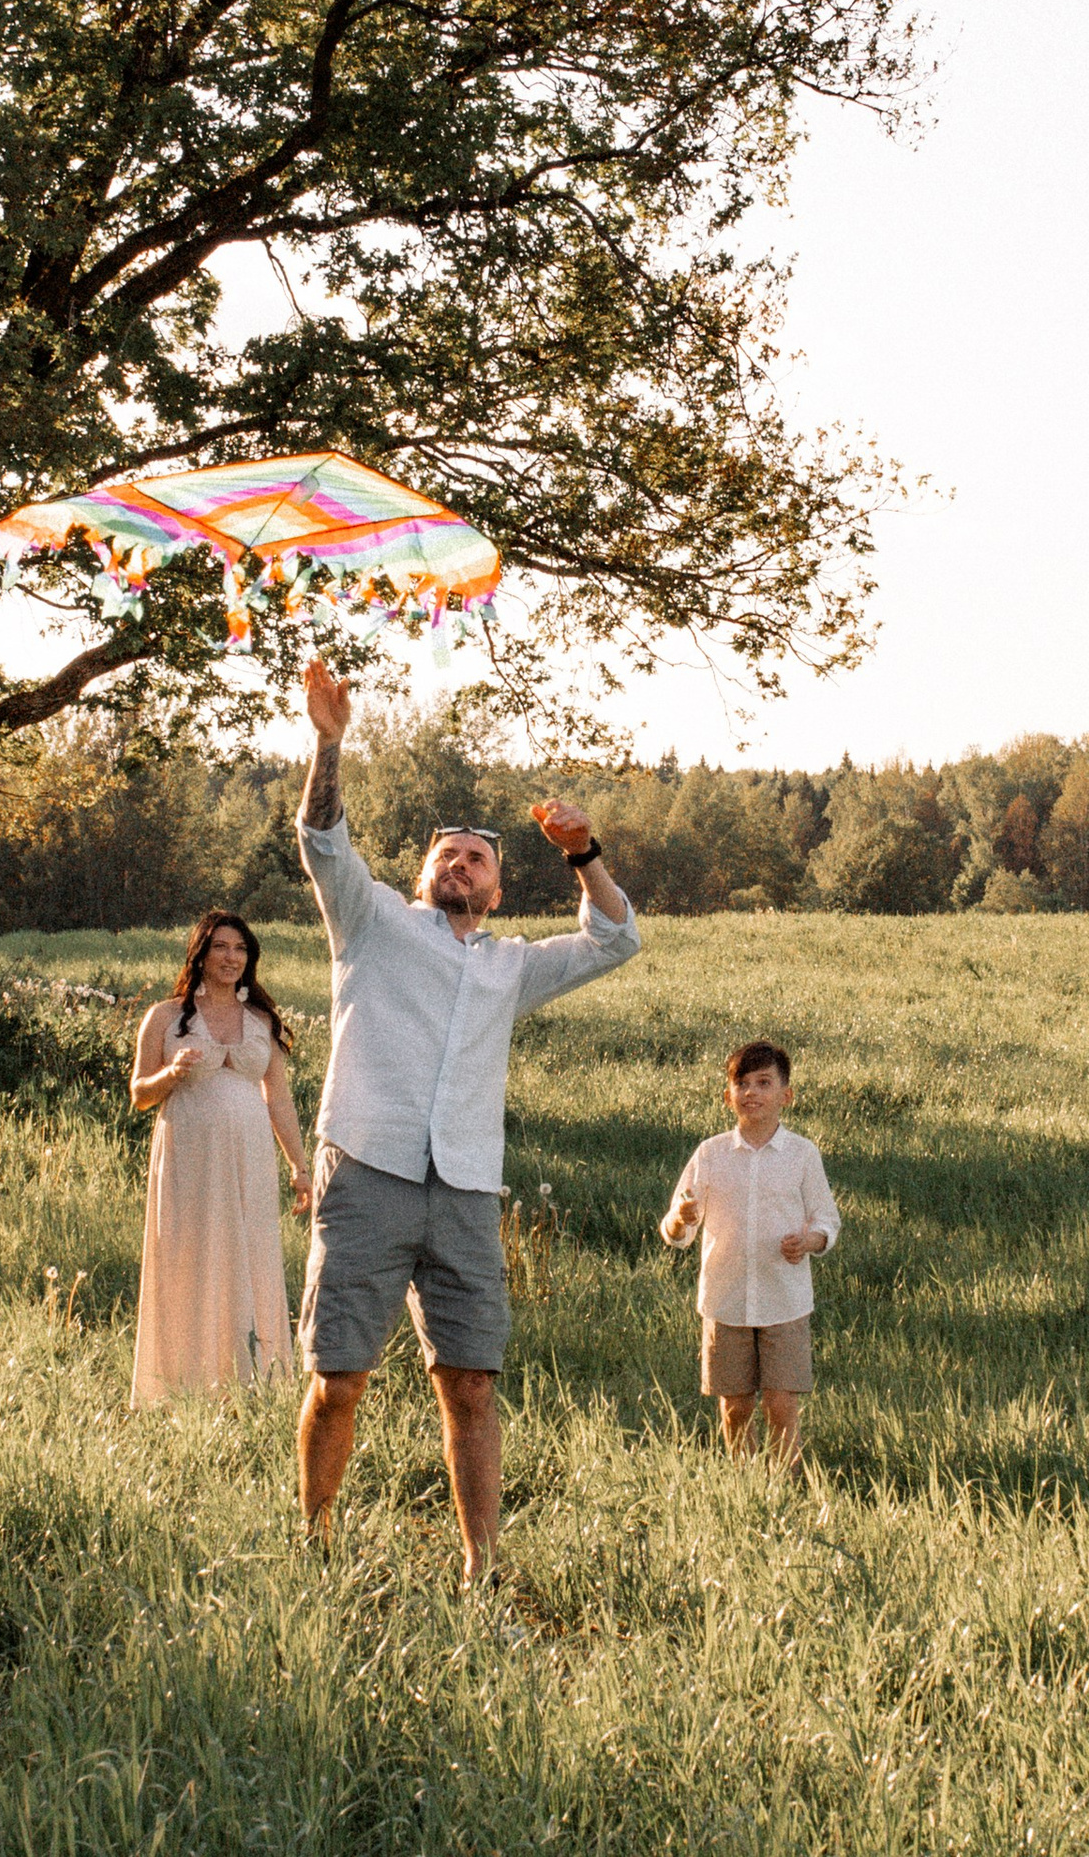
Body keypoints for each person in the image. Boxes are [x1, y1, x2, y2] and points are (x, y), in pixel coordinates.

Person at [292, 657, 642, 1586]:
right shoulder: (370, 924)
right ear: (423, 875)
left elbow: (619, 937)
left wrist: (583, 852)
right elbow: (323, 841)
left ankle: (480, 1567)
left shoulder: (511, 965)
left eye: (478, 858)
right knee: (339, 1378)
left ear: (496, 889)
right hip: (367, 1170)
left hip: (464, 1193)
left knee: (472, 1383)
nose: (460, 863)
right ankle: (316, 1543)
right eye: (447, 853)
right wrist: (329, 744)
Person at [129, 911, 313, 1408]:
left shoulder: (260, 1022)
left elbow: (279, 1099)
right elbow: (140, 1095)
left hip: (250, 1157)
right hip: (188, 1154)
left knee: (248, 1255)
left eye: (241, 949)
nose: (232, 957)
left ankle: (249, 1382)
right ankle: (181, 1385)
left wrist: (300, 1168)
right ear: (201, 953)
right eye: (221, 947)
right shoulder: (165, 1016)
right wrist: (170, 1074)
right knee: (190, 1254)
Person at [659, 1038, 839, 1468]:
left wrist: (810, 1241)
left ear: (786, 1095)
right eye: (742, 1083)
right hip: (725, 1301)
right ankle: (745, 1483)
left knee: (780, 1405)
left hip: (785, 1301)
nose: (752, 1092)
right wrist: (681, 1219)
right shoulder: (710, 1154)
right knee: (735, 1407)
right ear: (728, 1096)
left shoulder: (802, 1155)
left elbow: (827, 1220)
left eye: (764, 1082)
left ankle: (788, 1484)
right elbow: (675, 1228)